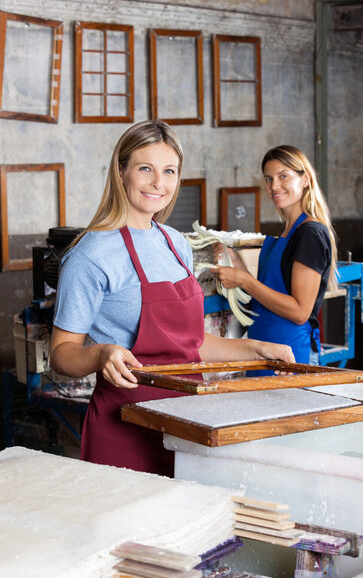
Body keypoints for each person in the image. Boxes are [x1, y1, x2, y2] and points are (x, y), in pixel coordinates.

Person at [50, 121, 294, 477]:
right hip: (127, 425)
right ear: (121, 172)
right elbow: (61, 354)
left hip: (187, 424)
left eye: (169, 171)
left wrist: (257, 349)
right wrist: (99, 354)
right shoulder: (90, 254)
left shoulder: (176, 244)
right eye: (145, 168)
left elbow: (190, 345)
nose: (158, 183)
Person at [211, 145, 337, 366]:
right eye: (268, 179)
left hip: (292, 356)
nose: (274, 186)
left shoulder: (309, 233)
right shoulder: (288, 233)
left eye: (283, 176)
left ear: (305, 179)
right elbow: (271, 294)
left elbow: (299, 311)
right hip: (264, 350)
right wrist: (236, 264)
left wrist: (244, 280)